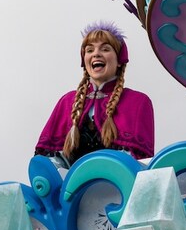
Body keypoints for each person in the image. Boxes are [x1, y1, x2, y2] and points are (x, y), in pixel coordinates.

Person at [35, 22, 154, 165]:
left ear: (119, 61)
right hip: (73, 184)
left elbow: (140, 162)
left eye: (105, 49)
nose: (96, 53)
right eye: (89, 50)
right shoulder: (67, 102)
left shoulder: (137, 102)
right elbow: (48, 161)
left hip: (118, 182)